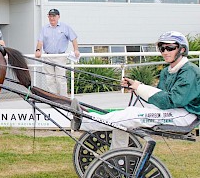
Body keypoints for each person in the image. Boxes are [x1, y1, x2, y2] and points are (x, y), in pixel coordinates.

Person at [72, 31, 200, 148]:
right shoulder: (167, 71)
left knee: (130, 116)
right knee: (127, 115)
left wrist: (140, 88)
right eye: (162, 48)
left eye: (170, 48)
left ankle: (86, 120)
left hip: (187, 115)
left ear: (182, 49)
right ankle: (117, 156)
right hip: (173, 110)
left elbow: (170, 101)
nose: (165, 52)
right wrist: (137, 86)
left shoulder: (189, 71)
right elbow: (160, 96)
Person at [35, 8, 80, 97]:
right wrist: (38, 50)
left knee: (60, 79)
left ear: (58, 16)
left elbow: (73, 39)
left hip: (60, 56)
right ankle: (54, 99)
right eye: (50, 16)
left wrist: (76, 50)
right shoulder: (44, 28)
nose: (52, 18)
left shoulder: (65, 27)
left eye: (54, 16)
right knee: (50, 79)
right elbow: (40, 42)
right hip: (48, 56)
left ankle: (63, 99)